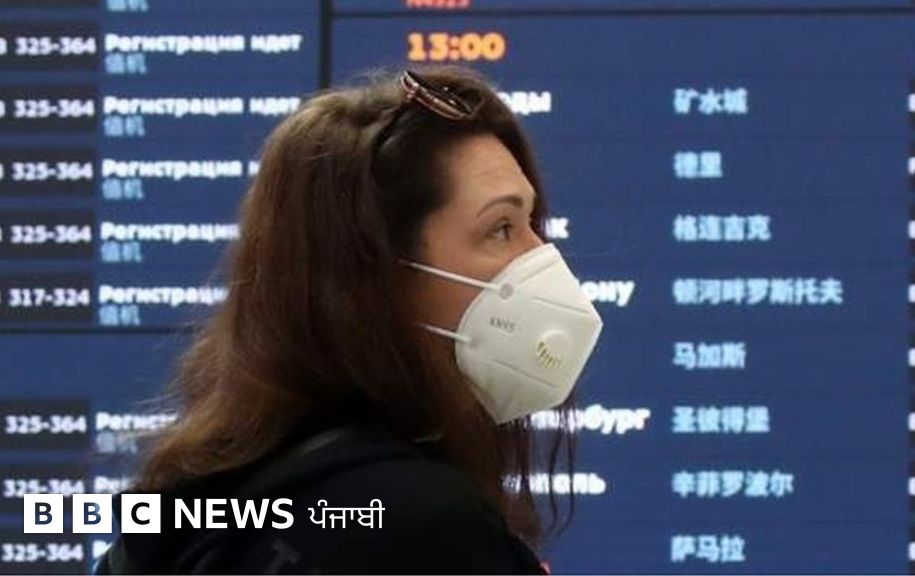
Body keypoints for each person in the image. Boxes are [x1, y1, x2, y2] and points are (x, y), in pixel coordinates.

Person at [94, 65, 603, 574]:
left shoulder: (189, 503)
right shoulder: (424, 527)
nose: (541, 258)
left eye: (531, 224)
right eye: (501, 229)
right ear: (381, 276)